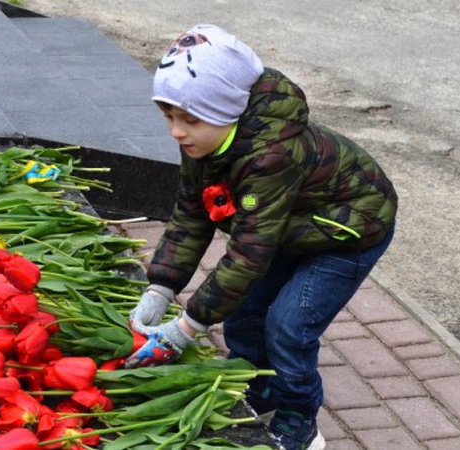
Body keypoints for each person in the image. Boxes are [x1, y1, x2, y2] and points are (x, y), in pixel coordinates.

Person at [124, 24, 398, 450]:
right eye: (170, 118)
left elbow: (249, 252)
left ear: (224, 111)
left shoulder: (270, 156)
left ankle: (299, 416)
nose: (176, 132)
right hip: (292, 227)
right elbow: (191, 215)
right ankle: (259, 383)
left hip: (350, 230)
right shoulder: (204, 141)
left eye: (188, 119)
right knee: (247, 311)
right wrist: (161, 286)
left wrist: (187, 326)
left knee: (289, 325)